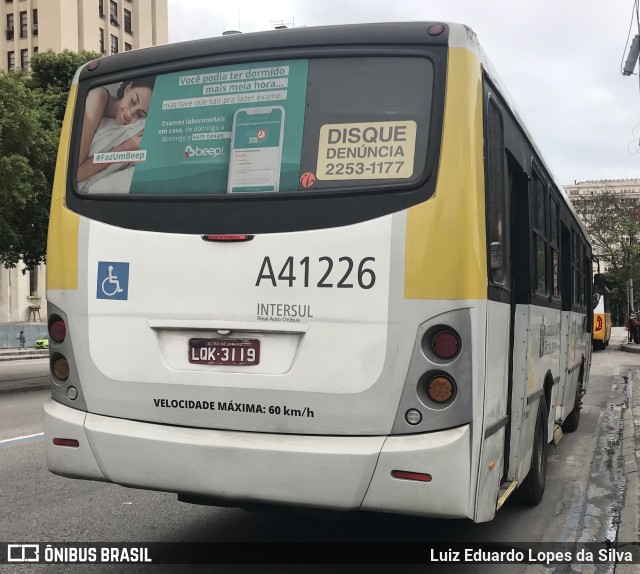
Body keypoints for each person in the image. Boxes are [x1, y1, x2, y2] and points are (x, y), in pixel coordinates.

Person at [77, 77, 155, 192]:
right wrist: (125, 147)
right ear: (128, 89)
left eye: (140, 113)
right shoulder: (98, 97)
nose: (130, 113)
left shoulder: (134, 126)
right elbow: (77, 173)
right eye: (133, 101)